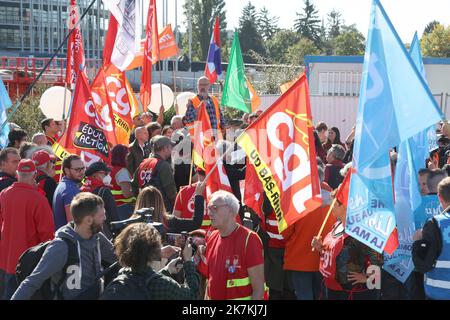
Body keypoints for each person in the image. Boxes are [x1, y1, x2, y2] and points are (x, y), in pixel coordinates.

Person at [12, 193, 117, 300]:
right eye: (101, 215)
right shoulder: (61, 246)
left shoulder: (97, 238)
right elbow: (33, 281)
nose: (105, 218)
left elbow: (119, 258)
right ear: (88, 220)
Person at [312, 190, 383, 300]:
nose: (331, 207)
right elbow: (335, 252)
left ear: (345, 206)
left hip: (351, 291)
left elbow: (377, 255)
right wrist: (321, 247)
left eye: (334, 204)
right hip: (332, 287)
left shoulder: (360, 230)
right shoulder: (337, 225)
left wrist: (368, 278)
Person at [0, 159, 54, 299]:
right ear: (34, 174)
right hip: (29, 263)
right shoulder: (39, 199)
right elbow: (47, 236)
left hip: (6, 260)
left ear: (17, 174)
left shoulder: (4, 194)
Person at [100, 223, 199, 300]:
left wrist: (166, 271)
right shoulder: (162, 285)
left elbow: (142, 282)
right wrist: (188, 261)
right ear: (154, 250)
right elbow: (191, 296)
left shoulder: (121, 276)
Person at [198, 190, 267, 300]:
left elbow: (259, 290)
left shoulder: (250, 239)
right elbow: (210, 282)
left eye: (214, 208)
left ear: (230, 210)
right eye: (209, 208)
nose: (209, 213)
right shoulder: (212, 237)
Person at [283, 165, 336, 300]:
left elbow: (286, 232)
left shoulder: (297, 201)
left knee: (303, 295)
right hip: (325, 260)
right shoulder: (335, 201)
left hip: (300, 258)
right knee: (322, 295)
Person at [413, 177, 450, 300]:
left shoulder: (435, 224)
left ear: (439, 196)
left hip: (440, 294)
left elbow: (422, 265)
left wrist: (417, 242)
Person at [134, 183, 205, 234]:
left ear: (139, 202)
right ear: (160, 203)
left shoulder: (131, 226)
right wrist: (198, 196)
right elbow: (196, 223)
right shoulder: (170, 223)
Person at [133, 135, 177, 212]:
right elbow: (170, 190)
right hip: (161, 208)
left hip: (144, 208)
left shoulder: (143, 163)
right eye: (170, 147)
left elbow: (134, 185)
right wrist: (177, 204)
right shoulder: (164, 165)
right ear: (164, 148)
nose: (171, 150)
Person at [81, 161, 120, 239]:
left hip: (85, 233)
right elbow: (114, 216)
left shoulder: (81, 190)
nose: (108, 176)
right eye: (105, 174)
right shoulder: (104, 191)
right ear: (95, 175)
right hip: (104, 234)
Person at [53, 155, 83, 230]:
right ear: (66, 170)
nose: (82, 172)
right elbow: (73, 225)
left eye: (83, 168)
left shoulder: (63, 185)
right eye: (77, 169)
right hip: (70, 239)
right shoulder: (70, 190)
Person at [110, 145, 135, 220]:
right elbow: (127, 194)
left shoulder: (110, 170)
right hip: (125, 208)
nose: (128, 158)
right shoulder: (122, 171)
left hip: (115, 207)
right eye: (127, 155)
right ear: (122, 156)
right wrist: (138, 192)